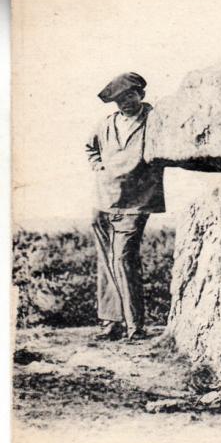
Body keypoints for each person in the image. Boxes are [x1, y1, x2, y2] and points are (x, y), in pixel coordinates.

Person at [85, 72, 165, 341]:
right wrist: (99, 167)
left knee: (124, 260)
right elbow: (90, 149)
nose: (125, 103)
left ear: (140, 94)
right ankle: (111, 323)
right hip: (102, 199)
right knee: (107, 261)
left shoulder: (155, 120)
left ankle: (135, 327)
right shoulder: (106, 124)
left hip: (136, 202)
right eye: (119, 99)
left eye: (129, 95)